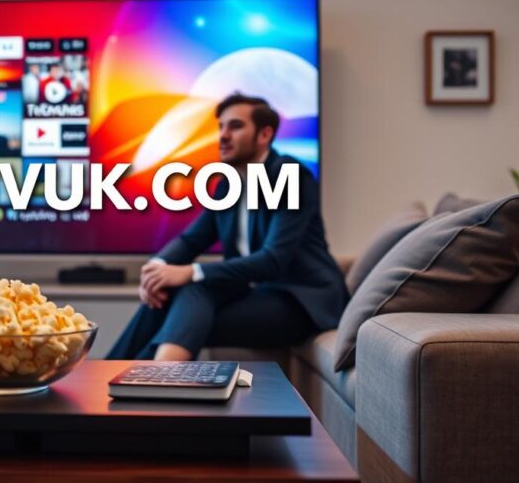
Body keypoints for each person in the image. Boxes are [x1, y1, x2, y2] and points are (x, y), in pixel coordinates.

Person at [107, 93, 347, 361]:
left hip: (300, 302)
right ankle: (126, 379)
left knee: (192, 290)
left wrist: (190, 271)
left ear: (264, 135)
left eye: (235, 126)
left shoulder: (289, 175)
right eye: (221, 126)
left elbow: (273, 261)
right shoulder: (227, 185)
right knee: (178, 297)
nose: (222, 135)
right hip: (256, 294)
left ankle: (128, 380)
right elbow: (191, 240)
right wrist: (155, 270)